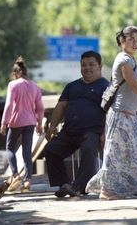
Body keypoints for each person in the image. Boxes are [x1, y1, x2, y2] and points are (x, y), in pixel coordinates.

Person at [86, 26, 137, 200]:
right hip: (120, 114)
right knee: (115, 153)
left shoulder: (130, 58)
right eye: (131, 39)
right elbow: (134, 86)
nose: (135, 43)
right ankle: (107, 190)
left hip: (130, 114)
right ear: (122, 42)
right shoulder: (124, 60)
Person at [44, 50, 109, 198]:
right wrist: (52, 126)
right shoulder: (72, 86)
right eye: (84, 65)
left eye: (91, 64)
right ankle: (64, 184)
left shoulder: (106, 86)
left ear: (100, 66)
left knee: (88, 150)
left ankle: (80, 187)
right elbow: (61, 106)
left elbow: (110, 112)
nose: (87, 68)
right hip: (69, 131)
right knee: (51, 150)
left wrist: (105, 132)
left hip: (92, 132)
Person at [0, 56, 45, 192]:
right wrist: (39, 123)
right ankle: (27, 181)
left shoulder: (13, 85)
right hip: (30, 122)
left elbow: (8, 106)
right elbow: (40, 107)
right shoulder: (35, 86)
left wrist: (4, 122)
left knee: (10, 148)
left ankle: (15, 175)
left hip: (16, 121)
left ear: (15, 73)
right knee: (27, 152)